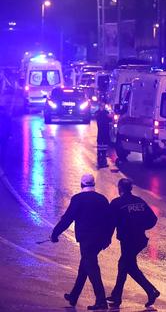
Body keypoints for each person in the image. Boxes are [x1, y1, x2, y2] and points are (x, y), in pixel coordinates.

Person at [50, 173, 112, 310]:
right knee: (84, 267)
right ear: (93, 184)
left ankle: (101, 301)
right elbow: (109, 221)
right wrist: (107, 238)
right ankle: (74, 296)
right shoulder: (102, 199)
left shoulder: (78, 199)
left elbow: (67, 219)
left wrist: (55, 233)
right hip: (99, 240)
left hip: (86, 239)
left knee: (92, 268)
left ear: (82, 184)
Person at [106, 178, 160, 308]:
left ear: (120, 189)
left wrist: (106, 238)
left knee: (125, 265)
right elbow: (153, 219)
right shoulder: (139, 201)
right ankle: (118, 295)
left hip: (127, 241)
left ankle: (149, 291)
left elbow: (110, 223)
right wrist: (141, 227)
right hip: (140, 240)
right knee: (126, 265)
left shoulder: (117, 203)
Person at [95, 103, 111, 169]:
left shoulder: (98, 113)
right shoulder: (104, 113)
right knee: (102, 147)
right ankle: (102, 161)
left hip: (102, 132)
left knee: (101, 146)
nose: (103, 107)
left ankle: (101, 160)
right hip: (103, 132)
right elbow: (110, 118)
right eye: (102, 106)